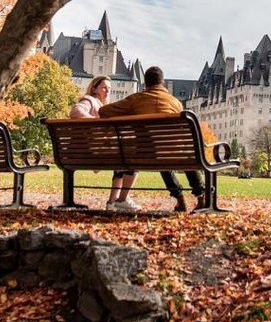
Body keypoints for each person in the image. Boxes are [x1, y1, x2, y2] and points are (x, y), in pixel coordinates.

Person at [99, 66, 206, 212]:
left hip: (145, 154)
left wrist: (130, 115)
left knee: (158, 152)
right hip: (174, 154)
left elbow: (104, 111)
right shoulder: (175, 102)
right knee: (178, 154)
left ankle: (180, 199)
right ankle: (201, 198)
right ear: (162, 83)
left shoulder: (136, 100)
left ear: (146, 84)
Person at [71, 76, 139, 211]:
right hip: (89, 151)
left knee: (122, 160)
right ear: (94, 89)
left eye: (109, 88)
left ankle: (112, 203)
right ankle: (120, 200)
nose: (107, 90)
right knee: (130, 159)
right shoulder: (89, 100)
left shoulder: (103, 105)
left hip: (89, 149)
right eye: (104, 87)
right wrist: (98, 122)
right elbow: (76, 111)